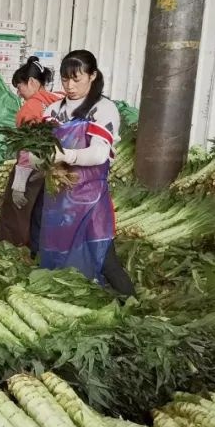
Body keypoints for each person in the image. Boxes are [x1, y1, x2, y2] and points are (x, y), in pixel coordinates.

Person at [37, 50, 134, 297]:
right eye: (65, 79)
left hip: (90, 198)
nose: (69, 86)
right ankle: (70, 298)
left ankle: (132, 303)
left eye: (76, 79)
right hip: (57, 199)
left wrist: (67, 156)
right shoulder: (52, 111)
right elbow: (37, 148)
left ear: (92, 76)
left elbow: (100, 154)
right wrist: (36, 163)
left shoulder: (103, 108)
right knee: (57, 253)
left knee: (102, 255)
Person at [0, 56, 63, 255]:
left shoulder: (32, 107)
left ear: (33, 82)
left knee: (18, 209)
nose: (19, 93)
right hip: (55, 167)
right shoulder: (58, 101)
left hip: (34, 168)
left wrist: (19, 181)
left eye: (20, 87)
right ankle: (42, 251)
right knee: (43, 211)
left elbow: (28, 147)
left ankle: (16, 250)